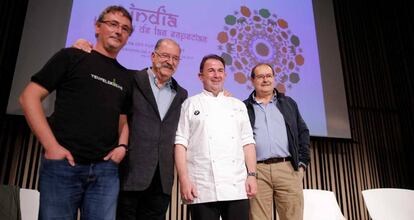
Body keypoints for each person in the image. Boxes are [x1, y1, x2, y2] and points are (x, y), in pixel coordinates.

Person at [19, 5, 134, 220]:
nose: (119, 31)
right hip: (63, 166)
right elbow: (28, 97)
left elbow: (123, 119)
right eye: (113, 24)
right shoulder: (71, 56)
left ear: (128, 37)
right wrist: (51, 146)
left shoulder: (126, 76)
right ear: (97, 27)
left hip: (105, 172)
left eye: (125, 28)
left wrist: (122, 146)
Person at [174, 54, 257, 220]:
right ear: (201, 76)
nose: (216, 75)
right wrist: (184, 180)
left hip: (236, 185)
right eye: (211, 70)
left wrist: (252, 176)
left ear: (225, 75)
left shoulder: (238, 106)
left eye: (220, 71)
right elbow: (180, 144)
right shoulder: (190, 104)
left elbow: (248, 143)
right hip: (202, 185)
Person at [116, 38, 188, 220]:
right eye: (165, 55)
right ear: (153, 56)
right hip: (131, 173)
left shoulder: (182, 94)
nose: (170, 61)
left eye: (175, 58)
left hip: (162, 179)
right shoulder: (132, 79)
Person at [244, 63, 310, 220]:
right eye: (260, 76)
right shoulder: (244, 107)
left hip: (287, 168)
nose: (265, 80)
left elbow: (303, 133)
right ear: (252, 80)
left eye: (269, 76)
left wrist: (302, 164)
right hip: (257, 171)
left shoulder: (288, 103)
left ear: (274, 79)